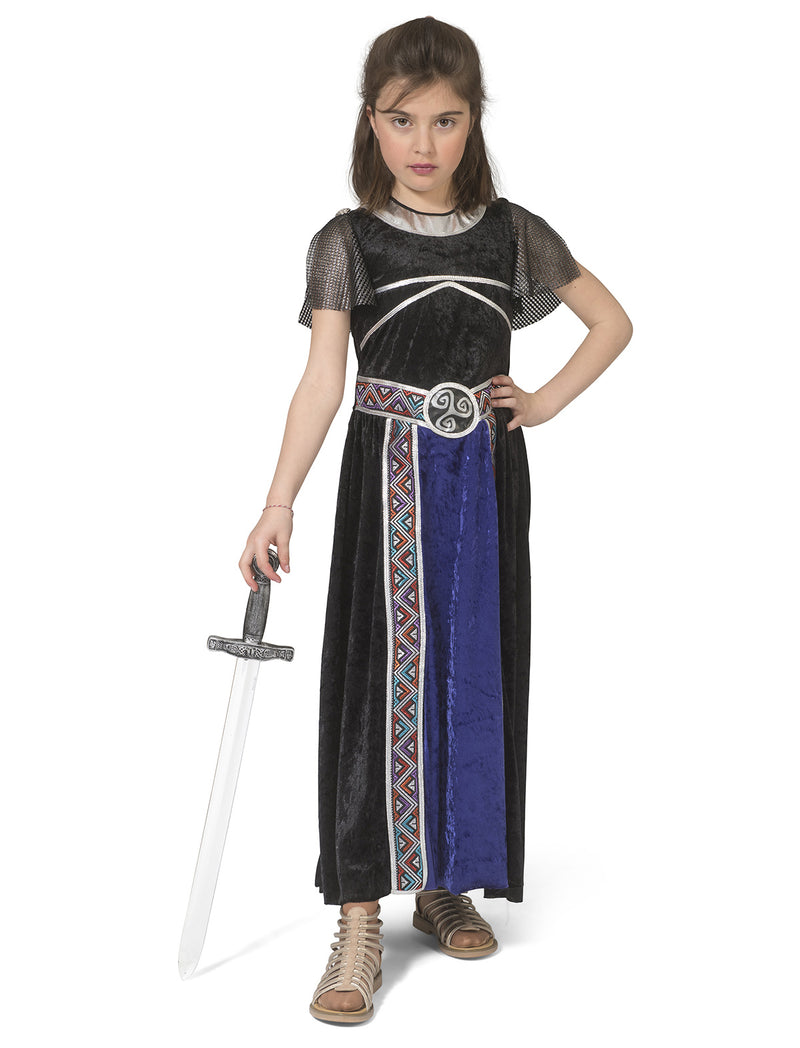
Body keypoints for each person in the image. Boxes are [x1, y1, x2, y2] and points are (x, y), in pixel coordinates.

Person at [239, 16, 632, 1025]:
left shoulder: (513, 234)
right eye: (401, 119)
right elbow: (323, 379)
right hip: (386, 481)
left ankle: (446, 879)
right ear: (370, 121)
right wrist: (278, 499)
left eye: (445, 120)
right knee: (377, 677)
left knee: (471, 668)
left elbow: (612, 322)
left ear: (473, 121)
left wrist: (539, 403)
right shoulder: (347, 242)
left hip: (484, 477)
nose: (422, 143)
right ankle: (359, 915)